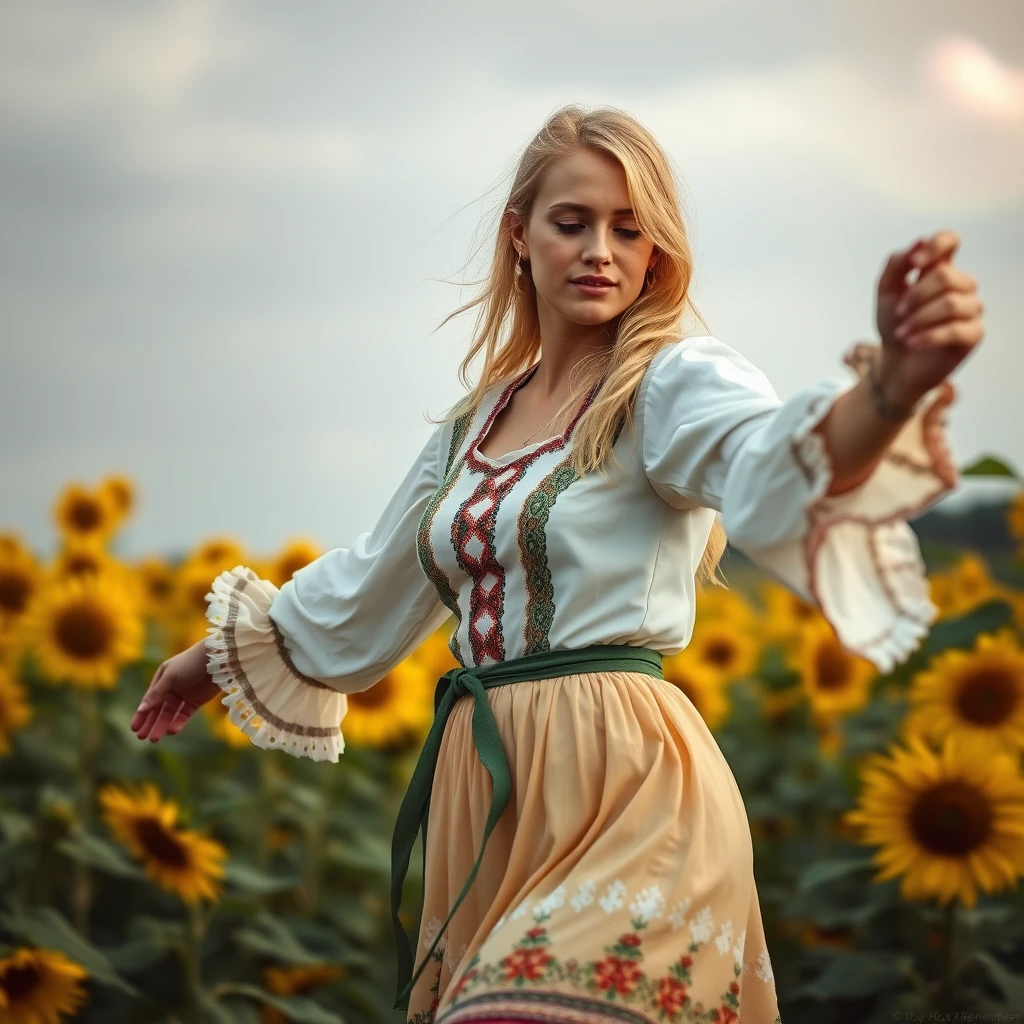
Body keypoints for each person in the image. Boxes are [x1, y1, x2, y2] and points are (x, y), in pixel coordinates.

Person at [130, 104, 985, 1024]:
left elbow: (767, 463)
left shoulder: (670, 383)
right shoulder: (472, 427)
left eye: (629, 229)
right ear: (520, 236)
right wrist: (213, 661)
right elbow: (374, 580)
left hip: (626, 780)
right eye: (572, 223)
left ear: (656, 252)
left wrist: (892, 388)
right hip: (487, 796)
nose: (600, 251)